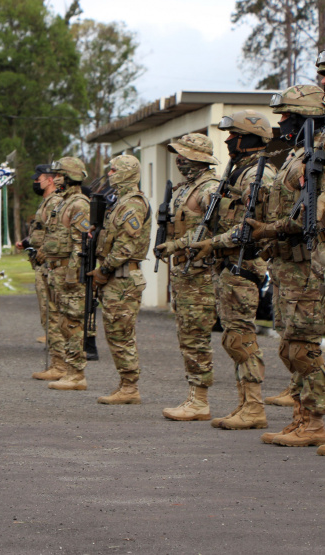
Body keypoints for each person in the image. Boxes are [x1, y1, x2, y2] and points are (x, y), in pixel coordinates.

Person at [244, 85, 325, 448]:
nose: (281, 121)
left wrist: (270, 229)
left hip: (308, 264)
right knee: (288, 346)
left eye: (288, 114)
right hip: (286, 265)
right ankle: (302, 417)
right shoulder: (298, 154)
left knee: (302, 347)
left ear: (307, 116)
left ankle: (318, 419)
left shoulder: (317, 153)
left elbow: (313, 213)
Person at [188, 111, 277, 429]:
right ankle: (244, 404)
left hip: (244, 264)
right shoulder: (238, 172)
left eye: (234, 134)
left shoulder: (258, 176)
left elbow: (250, 229)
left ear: (249, 138)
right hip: (227, 264)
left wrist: (214, 243)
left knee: (242, 337)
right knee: (232, 337)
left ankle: (254, 407)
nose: (227, 140)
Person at [154, 133, 220, 421]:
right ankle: (194, 396)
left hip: (201, 275)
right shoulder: (185, 188)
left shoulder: (210, 189)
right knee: (187, 336)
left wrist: (177, 245)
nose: (179, 160)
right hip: (184, 273)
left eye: (183, 154)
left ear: (198, 157)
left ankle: (200, 400)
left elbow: (213, 231)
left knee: (196, 337)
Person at [88, 155, 150, 404]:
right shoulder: (118, 202)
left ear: (127, 173)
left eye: (114, 170)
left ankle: (130, 387)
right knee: (114, 332)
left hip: (123, 278)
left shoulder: (132, 204)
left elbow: (125, 246)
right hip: (115, 277)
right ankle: (125, 383)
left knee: (121, 333)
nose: (110, 174)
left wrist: (103, 270)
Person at [40, 156, 91, 390]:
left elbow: (81, 244)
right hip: (57, 271)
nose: (56, 179)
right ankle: (68, 369)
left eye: (60, 175)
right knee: (63, 323)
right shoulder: (63, 202)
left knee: (73, 323)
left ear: (71, 176)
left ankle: (77, 374)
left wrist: (72, 274)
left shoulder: (79, 204)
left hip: (69, 274)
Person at [19, 164, 62, 372]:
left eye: (39, 178)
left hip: (49, 264)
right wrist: (28, 242)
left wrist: (42, 251)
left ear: (50, 179)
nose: (36, 182)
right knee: (47, 315)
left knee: (53, 315)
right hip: (41, 263)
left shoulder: (55, 202)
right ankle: (56, 363)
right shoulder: (46, 203)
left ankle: (59, 364)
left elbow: (54, 234)